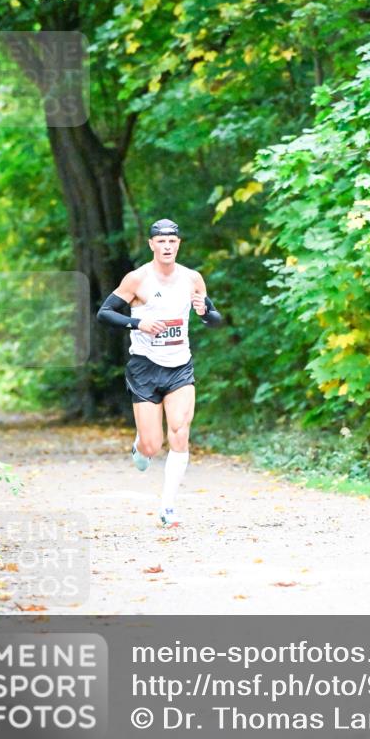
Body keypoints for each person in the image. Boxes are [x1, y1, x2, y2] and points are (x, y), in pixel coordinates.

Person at [96, 218, 222, 527]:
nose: (167, 246)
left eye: (172, 241)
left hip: (180, 366)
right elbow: (104, 313)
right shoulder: (137, 279)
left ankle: (168, 507)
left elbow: (214, 319)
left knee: (179, 431)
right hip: (145, 367)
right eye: (161, 241)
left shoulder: (192, 279)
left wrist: (205, 313)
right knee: (152, 446)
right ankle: (141, 444)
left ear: (178, 244)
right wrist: (138, 323)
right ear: (152, 244)